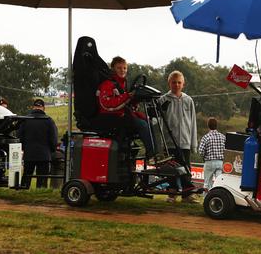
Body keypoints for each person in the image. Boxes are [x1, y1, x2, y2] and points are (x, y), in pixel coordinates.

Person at [93, 56, 156, 160]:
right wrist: (127, 96)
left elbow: (124, 102)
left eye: (124, 68)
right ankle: (152, 155)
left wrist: (135, 100)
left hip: (122, 115)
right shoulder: (107, 84)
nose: (122, 70)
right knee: (143, 124)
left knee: (148, 122)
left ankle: (156, 153)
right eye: (119, 68)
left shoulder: (122, 84)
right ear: (113, 69)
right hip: (110, 117)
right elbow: (107, 104)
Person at [159, 70, 198, 203]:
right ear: (169, 83)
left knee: (185, 169)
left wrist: (193, 144)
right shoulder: (163, 100)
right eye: (174, 82)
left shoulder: (188, 100)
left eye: (179, 82)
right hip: (169, 142)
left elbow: (193, 122)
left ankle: (187, 195)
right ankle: (172, 193)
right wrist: (160, 144)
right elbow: (157, 122)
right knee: (170, 169)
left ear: (183, 84)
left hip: (185, 142)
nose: (176, 85)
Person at [17, 98, 58, 189]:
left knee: (27, 175)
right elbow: (53, 139)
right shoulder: (49, 121)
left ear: (33, 107)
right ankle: (40, 191)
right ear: (43, 108)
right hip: (44, 154)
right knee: (42, 177)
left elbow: (19, 136)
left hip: (29, 153)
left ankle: (24, 190)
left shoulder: (25, 120)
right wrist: (52, 150)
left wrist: (24, 148)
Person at [198, 117, 226, 194]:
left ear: (208, 126)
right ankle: (218, 196)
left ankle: (207, 197)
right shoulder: (223, 137)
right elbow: (226, 150)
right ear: (216, 126)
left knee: (207, 182)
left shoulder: (206, 137)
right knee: (219, 182)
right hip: (220, 162)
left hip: (209, 162)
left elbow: (201, 151)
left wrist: (204, 157)